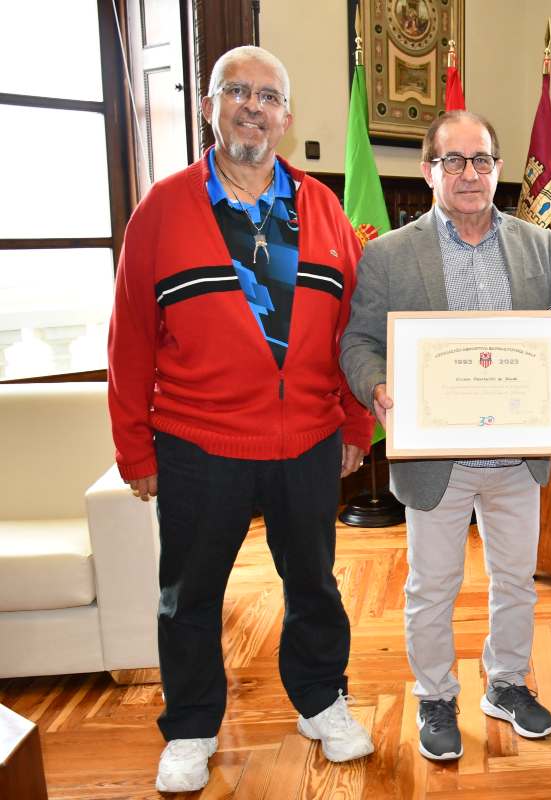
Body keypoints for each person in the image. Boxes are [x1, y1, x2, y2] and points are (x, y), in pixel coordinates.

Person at [107, 45, 375, 794]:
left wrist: (355, 425)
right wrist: (135, 449)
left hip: (308, 443)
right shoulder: (162, 209)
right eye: (237, 91)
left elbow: (353, 329)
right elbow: (129, 338)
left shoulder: (323, 209)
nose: (252, 106)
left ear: (287, 119)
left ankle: (322, 701)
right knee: (189, 595)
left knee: (314, 581)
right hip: (198, 444)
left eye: (268, 96)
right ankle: (191, 726)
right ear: (209, 107)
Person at [340, 110, 551, 763]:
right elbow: (358, 341)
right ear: (429, 171)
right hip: (435, 456)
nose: (469, 174)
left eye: (481, 161)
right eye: (454, 161)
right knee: (431, 584)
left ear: (499, 170)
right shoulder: (389, 253)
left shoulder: (539, 246)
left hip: (515, 456)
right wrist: (378, 387)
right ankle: (436, 696)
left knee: (517, 581)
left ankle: (505, 684)